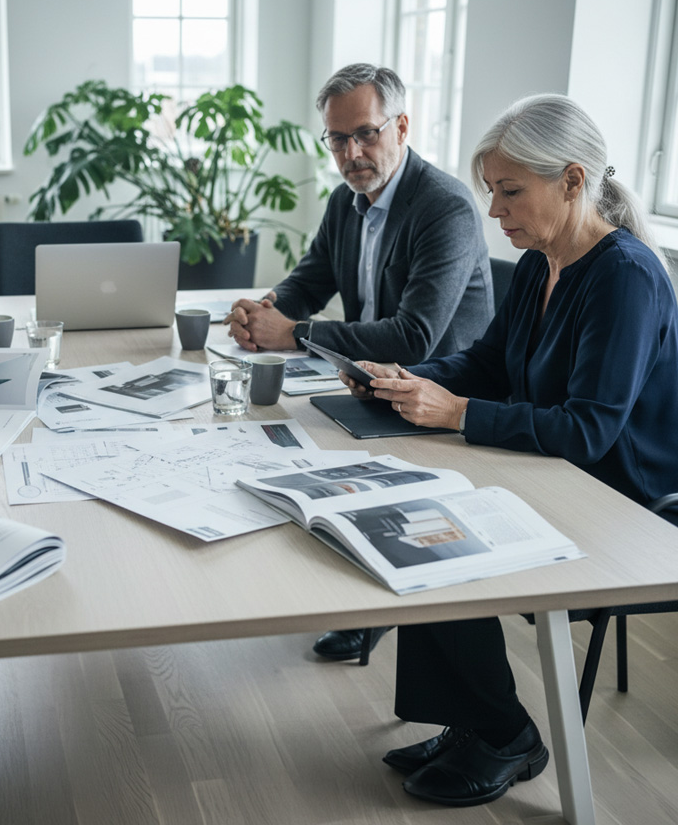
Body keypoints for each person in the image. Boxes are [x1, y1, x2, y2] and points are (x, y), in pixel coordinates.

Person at [341, 94, 678, 807]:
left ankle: (504, 735)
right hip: (556, 467)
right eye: (493, 191)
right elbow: (486, 364)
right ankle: (473, 722)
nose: (495, 211)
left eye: (510, 191)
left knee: (441, 539)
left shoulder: (626, 275)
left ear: (574, 181)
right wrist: (410, 380)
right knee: (417, 511)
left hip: (623, 497)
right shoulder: (537, 263)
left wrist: (458, 412)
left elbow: (589, 430)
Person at [224, 63, 494, 662]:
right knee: (254, 439)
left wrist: (292, 334)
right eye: (338, 139)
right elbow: (311, 279)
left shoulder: (443, 206)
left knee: (292, 448)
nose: (353, 152)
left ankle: (367, 601)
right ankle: (342, 594)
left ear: (401, 125)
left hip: (433, 398)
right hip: (363, 383)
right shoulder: (347, 202)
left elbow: (414, 336)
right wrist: (265, 310)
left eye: (366, 134)